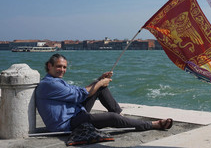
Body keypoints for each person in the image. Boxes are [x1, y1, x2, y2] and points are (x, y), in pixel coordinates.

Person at [36, 53, 173, 132]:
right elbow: (79, 95)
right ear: (50, 66)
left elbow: (78, 91)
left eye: (64, 67)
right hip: (67, 124)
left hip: (76, 113)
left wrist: (99, 81)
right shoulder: (49, 84)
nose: (62, 70)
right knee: (111, 118)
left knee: (101, 88)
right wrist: (99, 82)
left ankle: (121, 117)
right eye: (59, 66)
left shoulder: (55, 81)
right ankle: (153, 125)